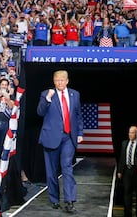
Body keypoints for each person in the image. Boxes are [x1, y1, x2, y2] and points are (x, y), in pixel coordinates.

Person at [37, 70, 83, 213]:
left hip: (68, 137)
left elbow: (78, 115)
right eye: (57, 80)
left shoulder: (74, 94)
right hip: (51, 138)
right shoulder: (46, 94)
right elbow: (40, 112)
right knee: (51, 172)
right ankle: (54, 199)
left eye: (62, 80)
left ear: (67, 81)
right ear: (54, 81)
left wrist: (80, 133)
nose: (60, 83)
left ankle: (69, 201)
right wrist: (47, 99)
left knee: (67, 168)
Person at [117, 126, 137, 217]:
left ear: (136, 134)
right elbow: (121, 158)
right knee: (127, 192)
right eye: (129, 132)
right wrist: (119, 171)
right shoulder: (124, 143)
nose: (130, 134)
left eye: (132, 132)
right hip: (127, 171)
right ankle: (127, 213)